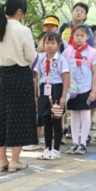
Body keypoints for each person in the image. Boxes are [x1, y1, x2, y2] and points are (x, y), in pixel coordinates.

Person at [0, 0, 38, 172]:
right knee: (19, 117)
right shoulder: (23, 30)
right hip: (20, 75)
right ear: (20, 11)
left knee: (2, 116)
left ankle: (1, 160)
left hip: (4, 75)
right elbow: (31, 56)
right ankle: (15, 161)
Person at [33, 32, 70, 160]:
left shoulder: (61, 59)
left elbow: (66, 78)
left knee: (56, 120)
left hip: (56, 89)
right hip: (44, 89)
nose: (49, 46)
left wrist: (63, 97)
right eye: (47, 43)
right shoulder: (41, 59)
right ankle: (47, 147)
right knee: (46, 120)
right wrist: (36, 95)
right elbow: (37, 77)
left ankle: (56, 149)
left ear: (58, 45)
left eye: (53, 43)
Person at [64, 24, 96, 155]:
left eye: (82, 35)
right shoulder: (68, 51)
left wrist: (93, 91)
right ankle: (74, 142)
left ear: (87, 37)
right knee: (74, 115)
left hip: (86, 88)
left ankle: (83, 143)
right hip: (72, 89)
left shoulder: (91, 52)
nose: (79, 38)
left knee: (85, 114)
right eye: (77, 35)